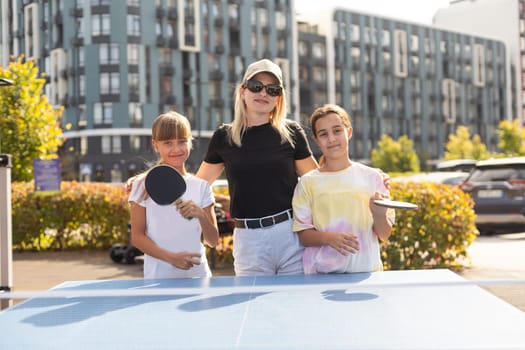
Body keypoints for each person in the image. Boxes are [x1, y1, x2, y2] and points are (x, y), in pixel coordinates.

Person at [195, 58, 319, 276]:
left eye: (272, 90)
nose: (263, 93)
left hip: (291, 234)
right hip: (249, 241)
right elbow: (197, 186)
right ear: (243, 91)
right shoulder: (224, 137)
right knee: (252, 308)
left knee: (297, 307)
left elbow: (318, 184)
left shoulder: (291, 133)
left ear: (279, 98)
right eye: (256, 87)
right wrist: (150, 179)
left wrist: (364, 178)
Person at [292, 104, 395, 274]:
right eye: (323, 134)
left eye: (337, 131)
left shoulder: (373, 178)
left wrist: (379, 214)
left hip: (366, 273)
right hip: (321, 275)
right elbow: (304, 236)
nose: (331, 139)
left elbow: (384, 234)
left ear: (349, 132)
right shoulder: (307, 183)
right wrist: (328, 238)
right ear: (317, 141)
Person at [128, 111, 219, 279]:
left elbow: (213, 241)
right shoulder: (141, 185)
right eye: (168, 143)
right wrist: (172, 258)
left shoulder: (202, 186)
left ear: (190, 142)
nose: (176, 149)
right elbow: (137, 237)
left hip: (199, 276)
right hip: (158, 277)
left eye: (182, 141)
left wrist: (201, 216)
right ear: (155, 145)